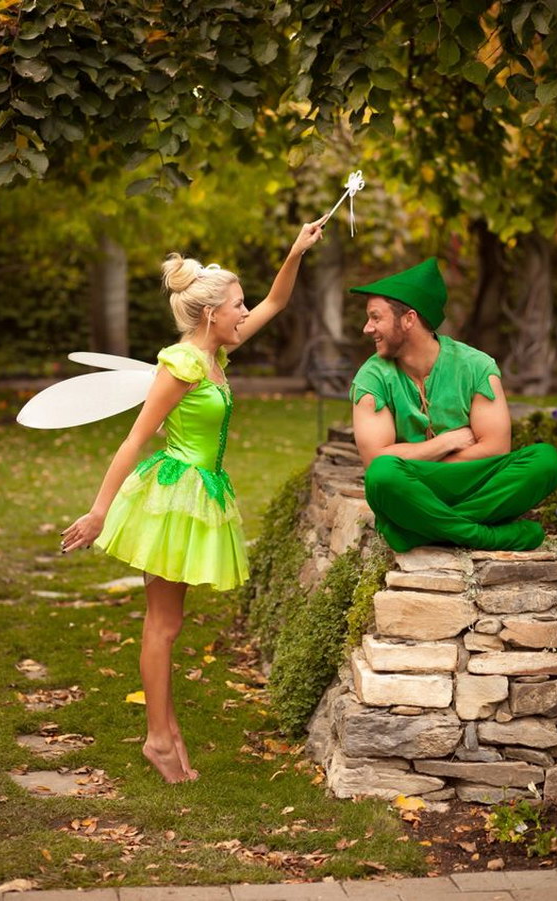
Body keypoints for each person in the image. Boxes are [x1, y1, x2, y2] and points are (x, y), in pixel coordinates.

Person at [60, 218, 325, 783]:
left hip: (199, 491)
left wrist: (296, 251)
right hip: (175, 496)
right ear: (211, 315)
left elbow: (278, 302)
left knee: (170, 622)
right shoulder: (182, 364)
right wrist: (100, 510)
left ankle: (166, 728)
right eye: (237, 304)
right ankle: (158, 739)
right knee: (162, 623)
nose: (244, 311)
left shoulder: (214, 356)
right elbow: (135, 436)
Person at [349, 257, 557, 554]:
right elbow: (375, 459)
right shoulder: (372, 377)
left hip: (461, 479)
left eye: (375, 317)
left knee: (545, 461)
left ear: (409, 319)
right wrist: (447, 442)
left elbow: (495, 449)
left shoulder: (476, 366)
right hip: (412, 483)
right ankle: (484, 536)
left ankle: (416, 531)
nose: (366, 328)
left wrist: (413, 462)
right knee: (382, 475)